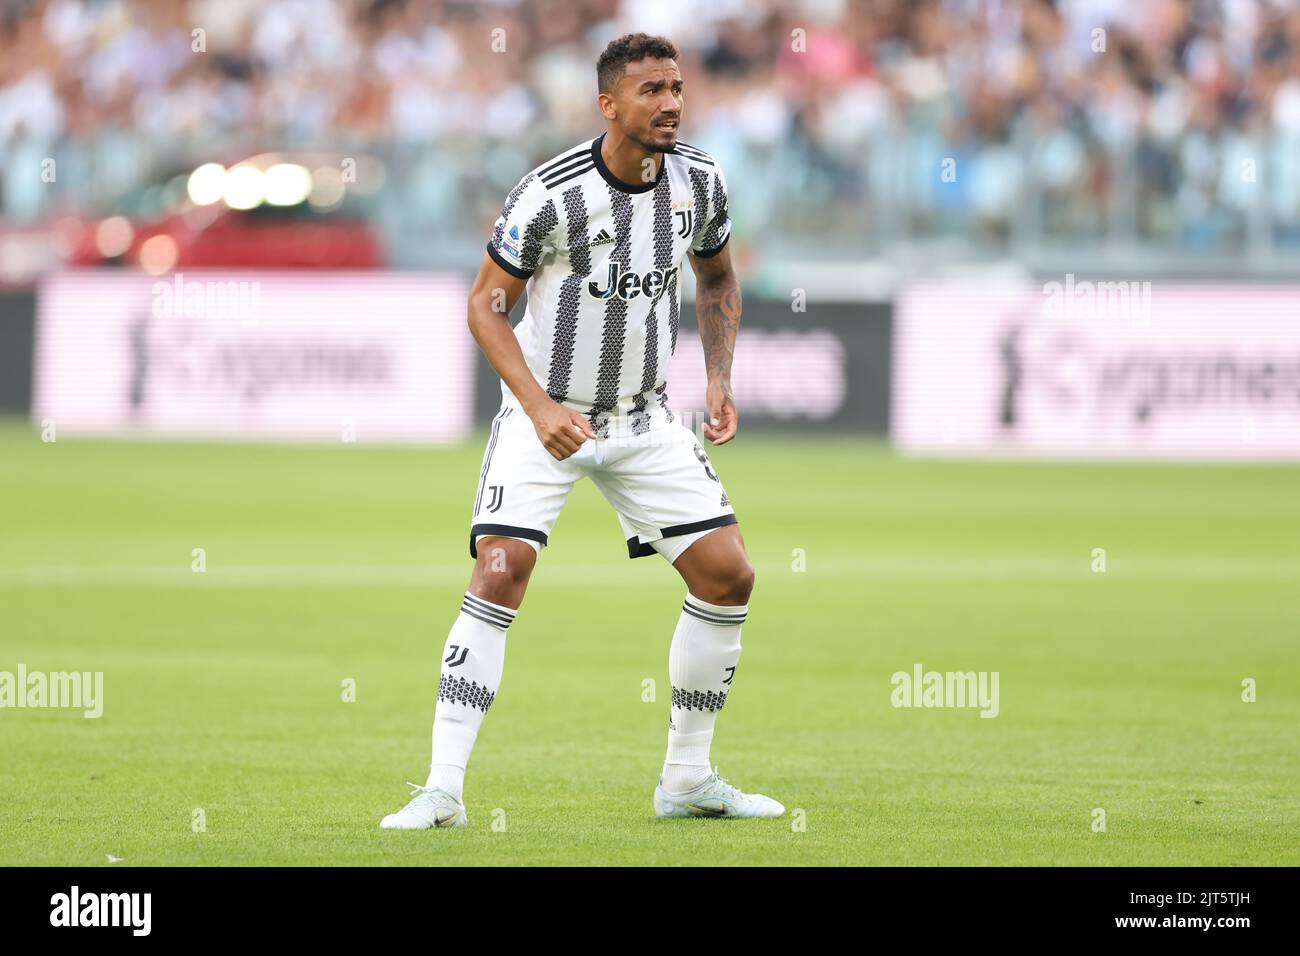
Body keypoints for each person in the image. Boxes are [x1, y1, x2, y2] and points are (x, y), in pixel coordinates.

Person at [381, 32, 783, 828]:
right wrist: (535, 405)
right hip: (547, 415)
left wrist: (718, 375)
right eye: (650, 91)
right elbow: (485, 305)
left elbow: (717, 275)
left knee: (728, 576)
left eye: (675, 87)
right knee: (500, 569)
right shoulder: (551, 193)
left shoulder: (700, 180)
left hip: (642, 420)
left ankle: (687, 780)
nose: (669, 102)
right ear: (609, 105)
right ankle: (442, 789)